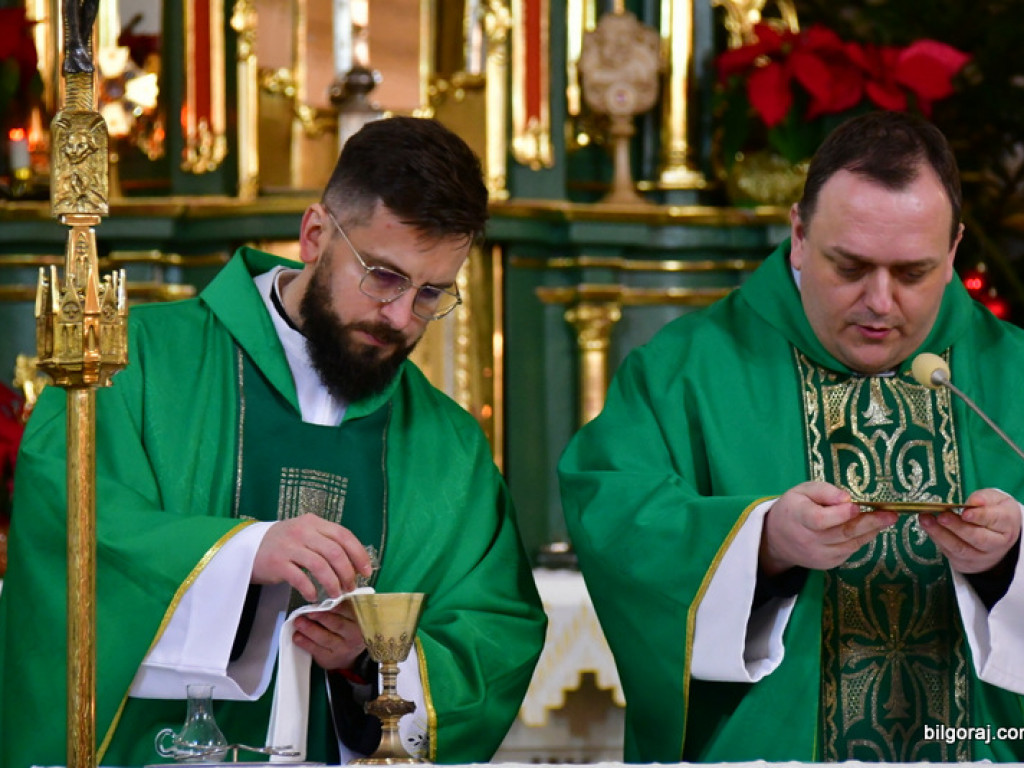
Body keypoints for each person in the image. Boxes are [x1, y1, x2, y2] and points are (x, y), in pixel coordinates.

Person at [0, 116, 546, 767]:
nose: (401, 317)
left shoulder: (448, 447)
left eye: (431, 294)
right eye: (383, 276)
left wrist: (368, 659)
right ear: (315, 234)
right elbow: (69, 526)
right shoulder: (132, 362)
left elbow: (494, 633)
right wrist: (242, 553)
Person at [559, 111, 1024, 763]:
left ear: (952, 254)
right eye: (851, 266)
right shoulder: (687, 371)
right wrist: (764, 542)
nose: (880, 302)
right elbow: (618, 518)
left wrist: (1010, 560)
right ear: (801, 235)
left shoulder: (1013, 374)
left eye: (912, 272)